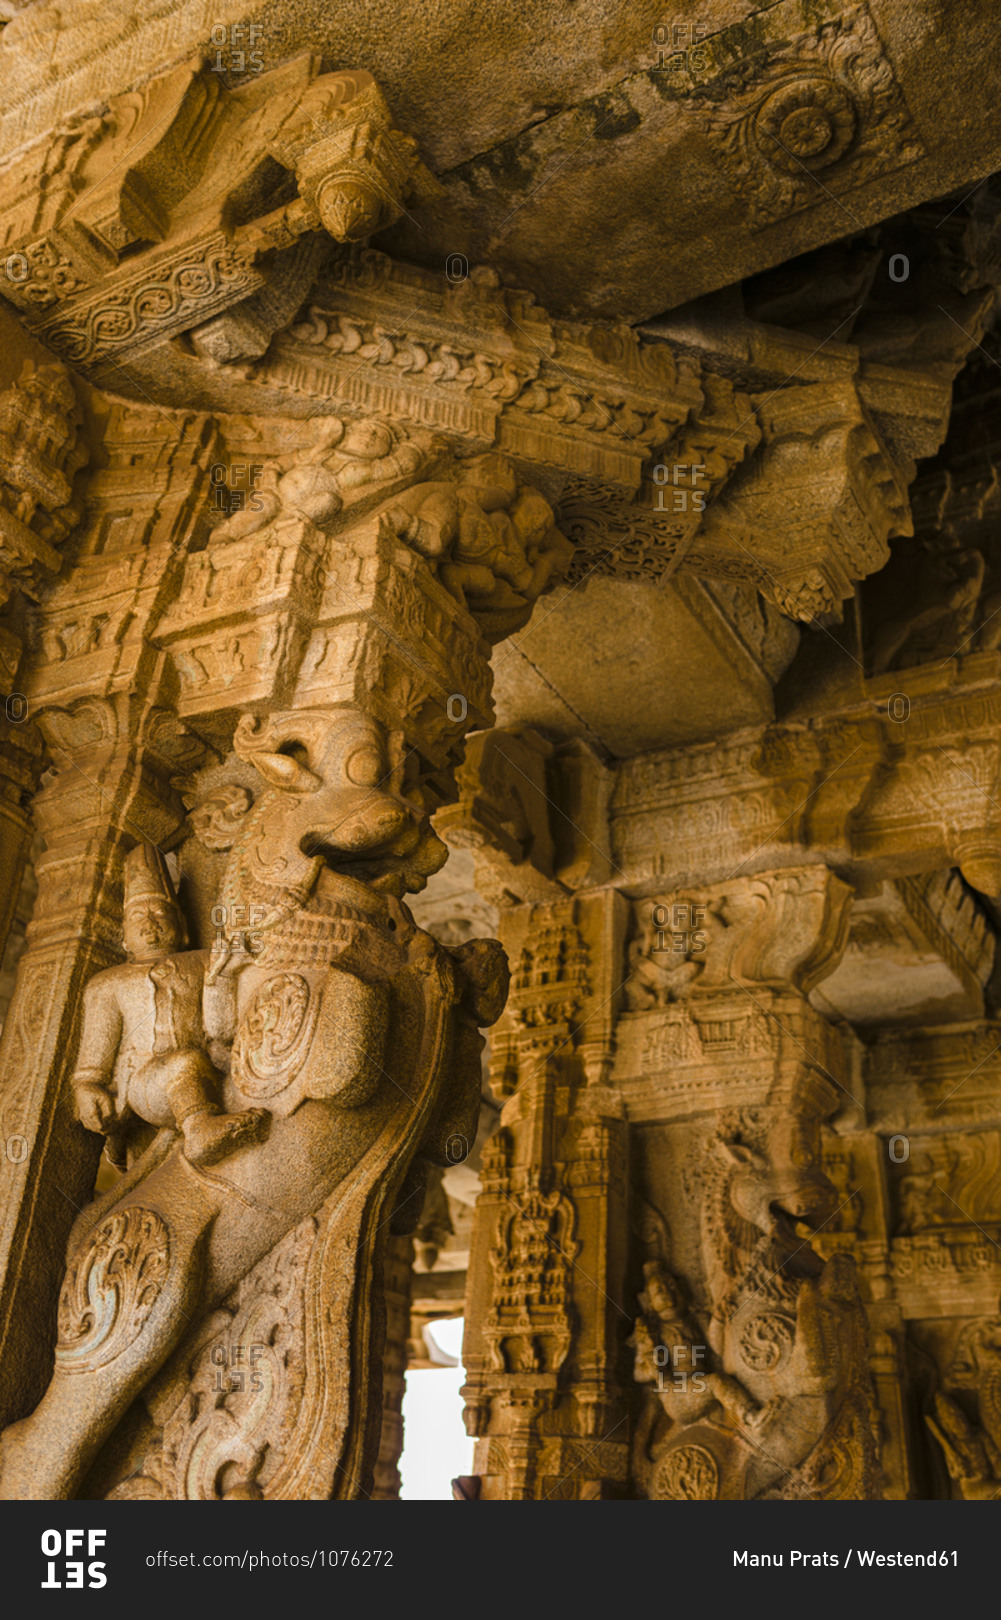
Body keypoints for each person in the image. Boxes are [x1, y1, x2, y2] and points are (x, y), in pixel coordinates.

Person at [71, 843, 268, 1170]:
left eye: (160, 913)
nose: (150, 922)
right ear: (124, 938)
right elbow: (95, 1056)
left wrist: (222, 976)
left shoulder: (204, 960)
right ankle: (200, 1130)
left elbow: (221, 1029)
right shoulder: (108, 984)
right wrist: (86, 1086)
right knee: (183, 1064)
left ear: (184, 928)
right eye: (138, 916)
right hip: (145, 1084)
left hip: (214, 1067)